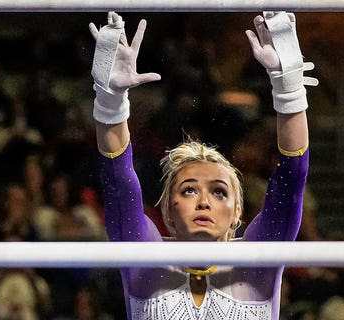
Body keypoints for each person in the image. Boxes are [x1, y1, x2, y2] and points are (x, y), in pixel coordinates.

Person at [91, 11, 316, 320]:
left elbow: (291, 178)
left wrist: (289, 89)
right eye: (188, 190)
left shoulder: (255, 265)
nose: (204, 201)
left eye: (219, 192)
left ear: (239, 211)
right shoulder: (147, 263)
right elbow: (119, 184)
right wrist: (110, 102)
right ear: (168, 211)